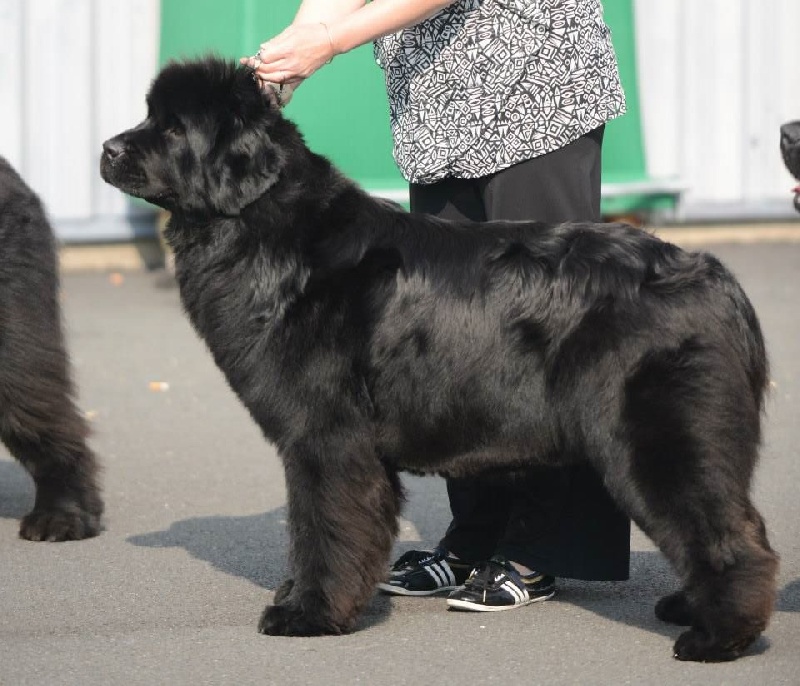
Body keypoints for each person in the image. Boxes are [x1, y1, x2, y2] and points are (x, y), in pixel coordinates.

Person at [244, 0, 631, 612]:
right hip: (441, 107)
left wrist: (329, 41)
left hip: (531, 85)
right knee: (458, 342)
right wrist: (290, 50)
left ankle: (543, 547)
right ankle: (474, 538)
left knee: (548, 328)